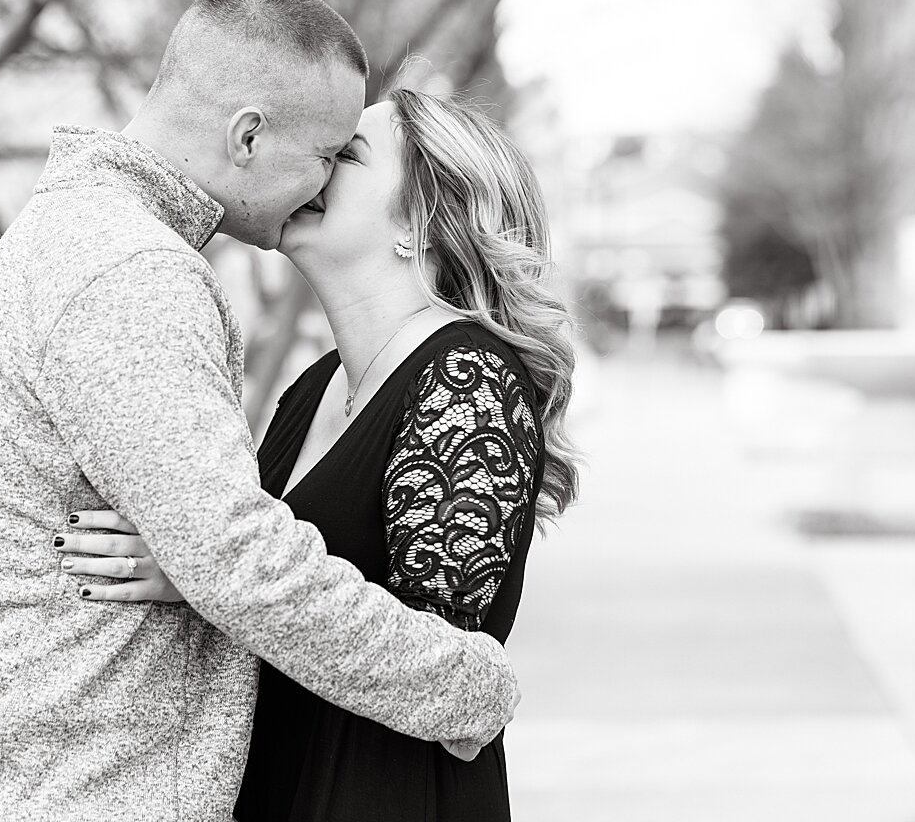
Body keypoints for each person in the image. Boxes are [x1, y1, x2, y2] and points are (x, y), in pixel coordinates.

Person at [0, 0, 519, 822]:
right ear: (247, 137)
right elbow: (237, 558)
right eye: (325, 154)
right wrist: (471, 688)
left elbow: (219, 554)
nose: (320, 186)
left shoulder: (87, 236)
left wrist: (199, 564)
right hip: (80, 794)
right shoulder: (132, 270)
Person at [60, 87, 579, 820]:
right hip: (273, 778)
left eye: (346, 155)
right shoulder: (314, 386)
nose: (314, 169)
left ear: (425, 221)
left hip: (383, 793)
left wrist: (205, 575)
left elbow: (443, 663)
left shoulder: (468, 378)